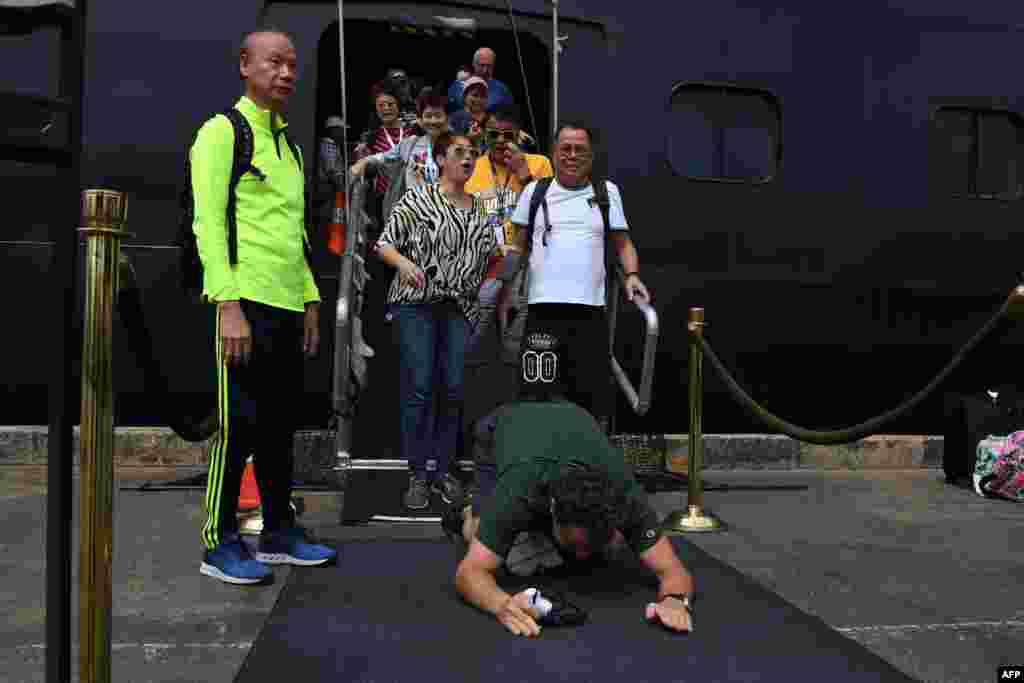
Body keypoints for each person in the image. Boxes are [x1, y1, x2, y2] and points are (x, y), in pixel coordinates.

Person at [192, 28, 336, 585]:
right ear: (245, 64)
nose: (287, 73)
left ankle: (277, 529)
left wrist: (311, 300)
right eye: (275, 62)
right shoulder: (221, 133)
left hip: (286, 304)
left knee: (280, 425)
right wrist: (227, 304)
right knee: (239, 426)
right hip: (243, 302)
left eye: (293, 65)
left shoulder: (291, 147)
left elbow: (293, 235)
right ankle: (218, 540)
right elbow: (208, 221)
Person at [444, 340, 695, 637]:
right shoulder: (520, 485)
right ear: (552, 509)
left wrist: (675, 602)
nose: (583, 555)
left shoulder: (623, 492)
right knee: (477, 532)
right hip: (503, 428)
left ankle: (544, 537)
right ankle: (463, 512)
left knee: (605, 553)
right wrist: (501, 604)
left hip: (571, 418)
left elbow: (673, 570)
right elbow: (468, 573)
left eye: (591, 543)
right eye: (577, 546)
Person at [498, 120, 651, 425]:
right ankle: (542, 465)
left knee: (588, 397)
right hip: (542, 311)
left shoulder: (606, 192)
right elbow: (518, 247)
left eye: (579, 149)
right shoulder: (534, 191)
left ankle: (584, 468)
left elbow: (623, 244)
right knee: (538, 397)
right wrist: (503, 291)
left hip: (590, 313)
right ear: (554, 154)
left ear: (591, 156)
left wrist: (632, 275)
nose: (571, 155)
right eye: (565, 149)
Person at [375, 133, 498, 510]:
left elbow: (489, 254)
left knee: (455, 387)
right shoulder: (418, 198)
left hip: (459, 307)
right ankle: (418, 474)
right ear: (441, 158)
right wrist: (405, 263)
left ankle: (443, 469)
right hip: (416, 304)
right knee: (421, 385)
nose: (468, 158)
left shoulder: (481, 208)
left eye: (472, 154)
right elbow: (384, 244)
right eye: (459, 152)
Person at [464, 104, 553, 356]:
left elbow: (547, 213)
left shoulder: (539, 163)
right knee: (475, 331)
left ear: (519, 135)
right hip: (482, 261)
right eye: (493, 135)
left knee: (516, 336)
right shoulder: (471, 165)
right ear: (483, 135)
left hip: (523, 261)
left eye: (508, 135)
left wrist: (523, 172)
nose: (501, 141)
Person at [350, 87, 450, 222]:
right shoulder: (409, 144)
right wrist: (363, 162)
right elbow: (382, 157)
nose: (433, 121)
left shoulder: (458, 145)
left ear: (446, 118)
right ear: (420, 120)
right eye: (428, 116)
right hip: (416, 217)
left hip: (447, 217)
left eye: (438, 116)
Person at [355, 83, 418, 227]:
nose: (386, 109)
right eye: (381, 105)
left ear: (398, 106)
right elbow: (366, 175)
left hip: (412, 195)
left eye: (390, 104)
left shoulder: (412, 132)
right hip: (384, 199)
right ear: (376, 109)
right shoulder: (371, 138)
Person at [447, 47, 514, 113]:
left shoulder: (502, 89)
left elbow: (510, 116)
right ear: (473, 63)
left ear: (494, 65)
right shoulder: (458, 85)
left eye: (489, 66)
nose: (485, 70)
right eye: (482, 65)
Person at [448, 76, 490, 153]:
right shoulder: (455, 118)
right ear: (464, 96)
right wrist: (468, 138)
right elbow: (449, 145)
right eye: (475, 95)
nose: (478, 99)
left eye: (483, 96)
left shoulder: (491, 118)